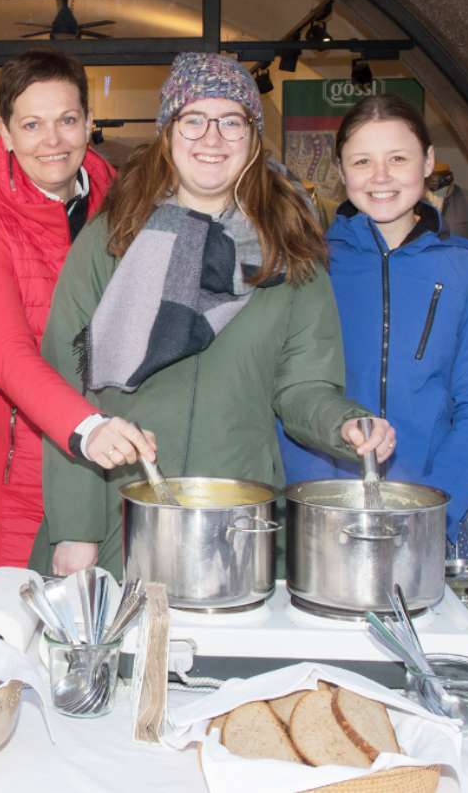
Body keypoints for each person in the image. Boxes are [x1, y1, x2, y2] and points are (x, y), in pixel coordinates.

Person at [30, 52, 395, 578]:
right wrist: (75, 529)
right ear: (168, 132)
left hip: (235, 518)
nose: (212, 137)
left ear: (252, 137)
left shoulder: (289, 251)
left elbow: (304, 386)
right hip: (119, 508)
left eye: (231, 121)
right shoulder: (112, 238)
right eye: (193, 119)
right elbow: (67, 386)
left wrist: (346, 424)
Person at [0, 50, 154, 577]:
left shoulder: (127, 216)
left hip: (112, 472)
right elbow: (5, 355)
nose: (53, 141)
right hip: (14, 481)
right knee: (9, 640)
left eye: (66, 120)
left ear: (89, 122)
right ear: (6, 133)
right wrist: (87, 428)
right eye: (32, 124)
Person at [280, 94, 468, 553]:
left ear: (426, 162)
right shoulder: (307, 266)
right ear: (341, 172)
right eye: (362, 161)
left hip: (428, 513)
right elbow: (285, 390)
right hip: (318, 516)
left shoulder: (466, 273)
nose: (380, 177)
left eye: (398, 158)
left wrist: (434, 512)